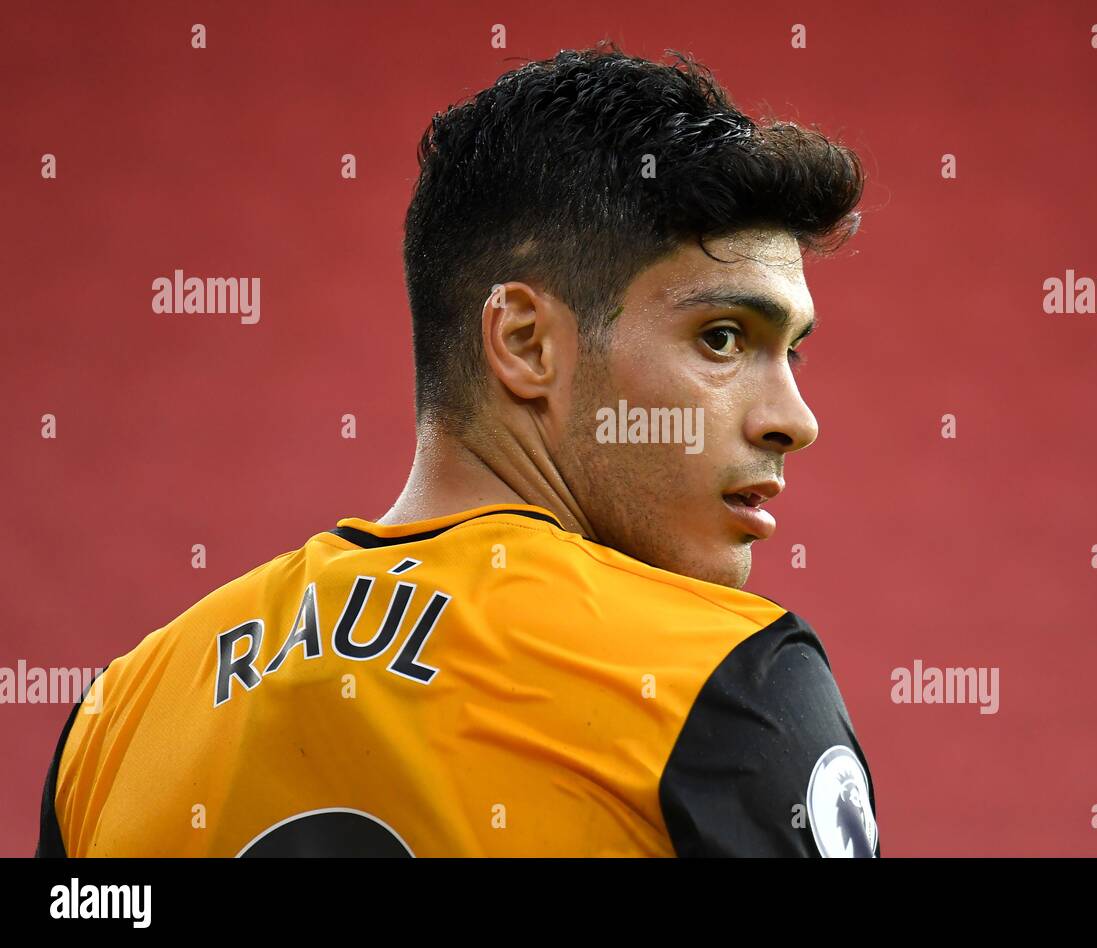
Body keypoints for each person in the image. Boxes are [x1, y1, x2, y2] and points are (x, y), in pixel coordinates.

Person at [36, 41, 879, 857]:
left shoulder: (119, 717)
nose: (794, 419)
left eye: (792, 350)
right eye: (724, 338)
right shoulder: (724, 683)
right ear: (525, 342)